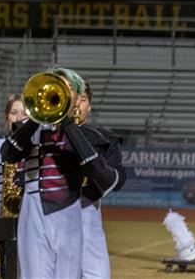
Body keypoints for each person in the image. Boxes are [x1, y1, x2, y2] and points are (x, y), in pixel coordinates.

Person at [1, 66, 126, 278]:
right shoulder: (30, 129)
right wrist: (37, 116)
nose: (61, 93)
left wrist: (65, 122)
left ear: (77, 99)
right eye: (57, 86)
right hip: (34, 212)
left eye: (69, 89)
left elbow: (104, 176)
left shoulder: (88, 137)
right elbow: (9, 153)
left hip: (71, 210)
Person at [77, 82, 125, 279]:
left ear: (90, 106)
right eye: (75, 99)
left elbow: (120, 177)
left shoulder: (102, 138)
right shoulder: (45, 135)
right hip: (48, 213)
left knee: (97, 274)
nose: (78, 105)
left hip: (87, 211)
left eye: (83, 100)